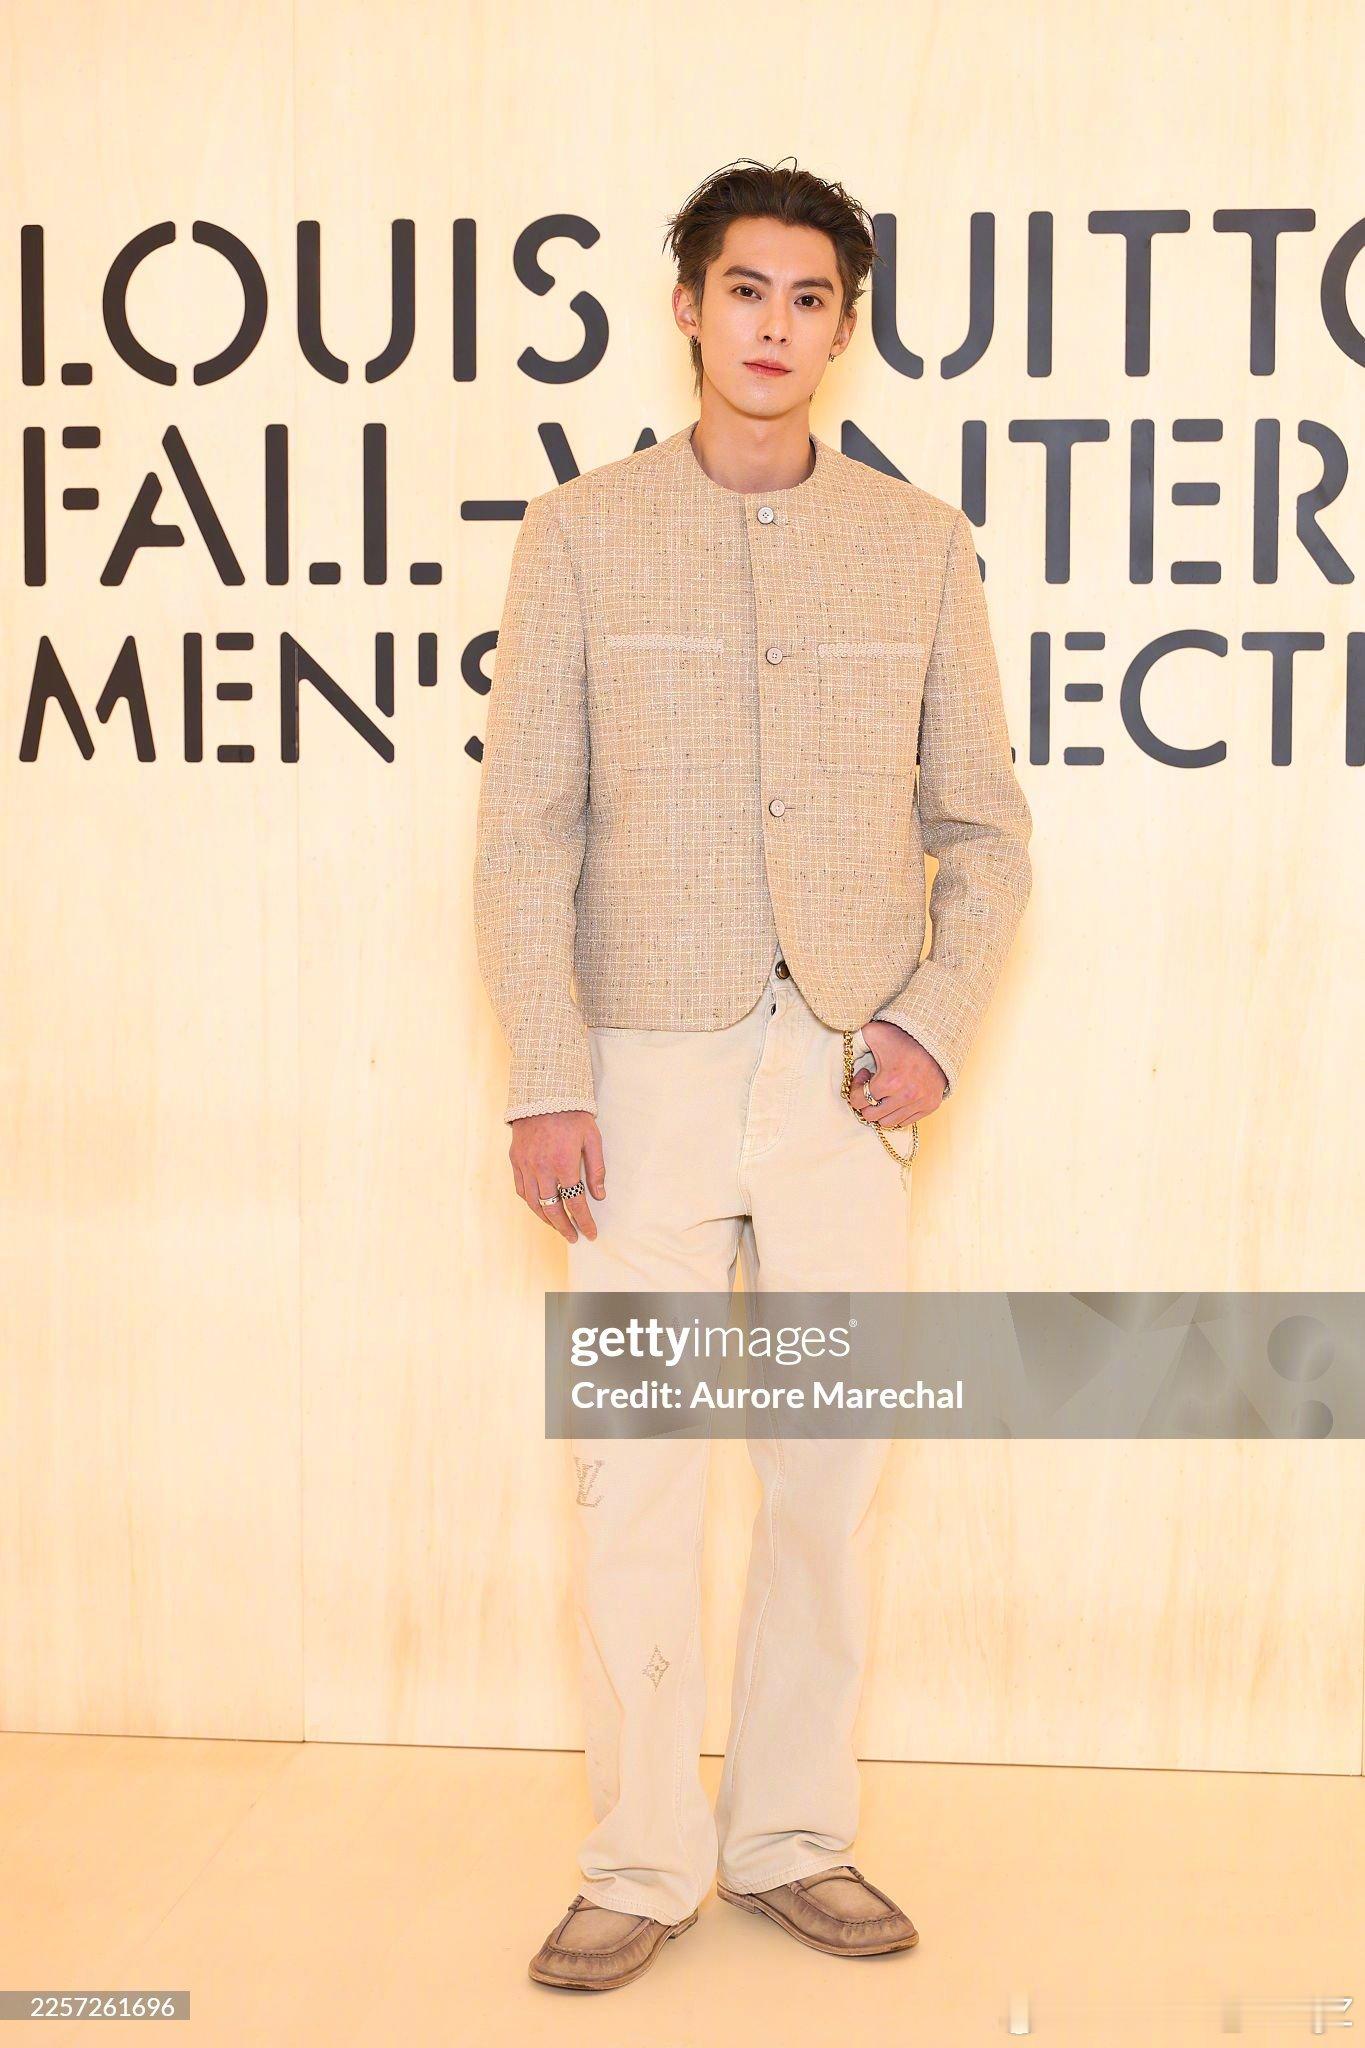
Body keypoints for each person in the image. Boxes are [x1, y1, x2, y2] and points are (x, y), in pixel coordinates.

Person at [472, 157, 1033, 1992]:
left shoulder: (918, 541)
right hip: (631, 1071)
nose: (773, 326)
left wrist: (927, 1021)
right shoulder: (580, 533)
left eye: (807, 298)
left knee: (823, 1477)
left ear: (840, 328)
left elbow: (984, 830)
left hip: (840, 1083)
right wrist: (544, 1074)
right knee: (631, 1473)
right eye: (744, 290)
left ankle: (793, 1836)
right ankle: (638, 1862)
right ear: (689, 308)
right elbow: (523, 829)